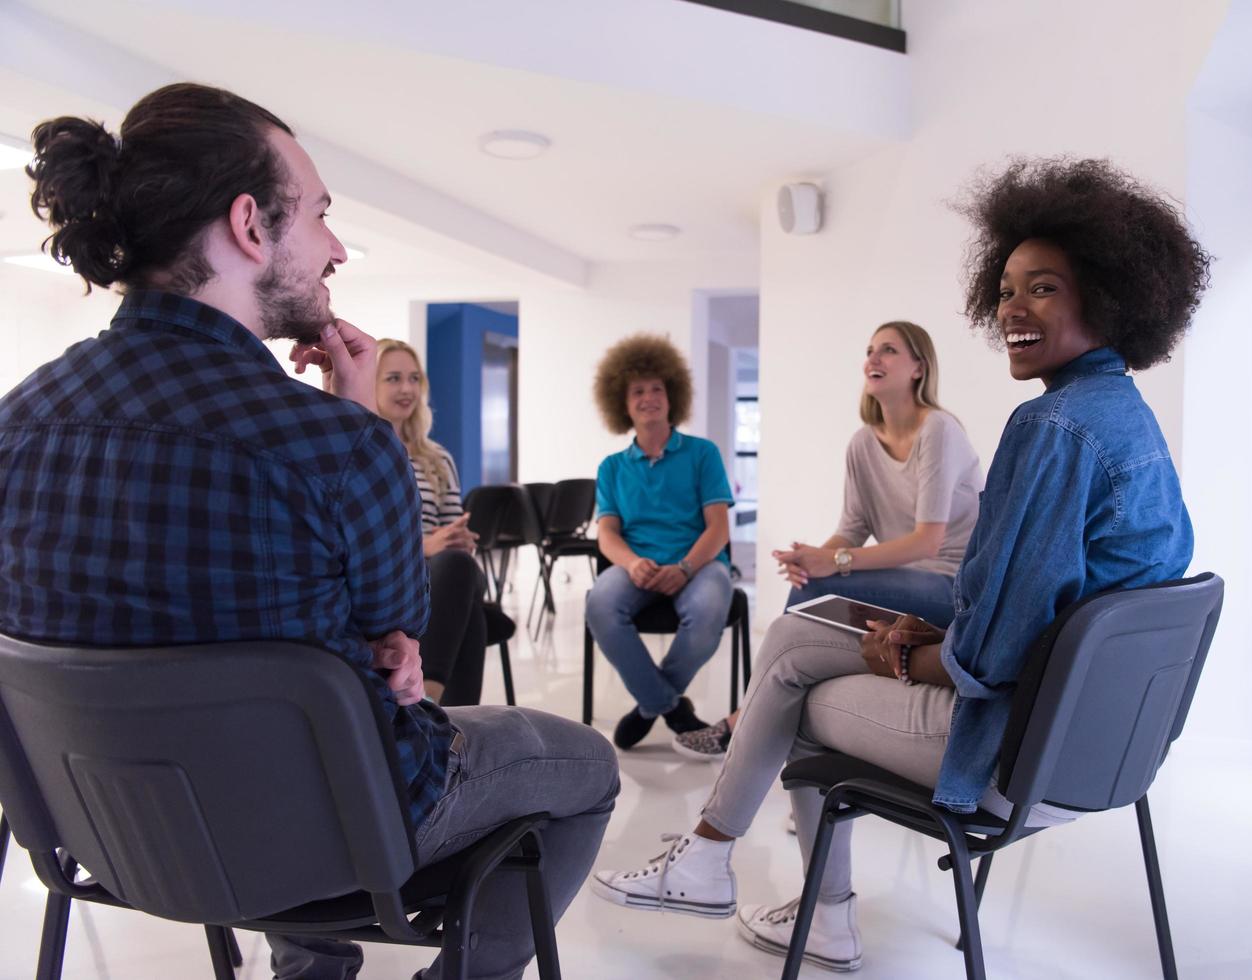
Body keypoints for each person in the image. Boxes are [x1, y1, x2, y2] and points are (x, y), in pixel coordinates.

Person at [0, 82, 619, 980]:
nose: (333, 248)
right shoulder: (332, 443)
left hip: (107, 830)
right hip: (333, 831)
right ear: (250, 225)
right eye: (321, 216)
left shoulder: (17, 421)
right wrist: (355, 426)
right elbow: (397, 637)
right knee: (584, 766)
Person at [591, 157, 1209, 973]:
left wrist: (910, 655)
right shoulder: (1124, 418)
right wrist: (922, 627)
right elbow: (1044, 608)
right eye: (1006, 289)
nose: (1012, 308)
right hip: (1101, 751)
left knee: (796, 697)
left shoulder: (1053, 428)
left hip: (1006, 749)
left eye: (1044, 288)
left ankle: (800, 903)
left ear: (1108, 292)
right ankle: (711, 859)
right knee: (793, 638)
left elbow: (993, 651)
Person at [675, 321, 983, 762]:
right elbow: (853, 528)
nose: (873, 358)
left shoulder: (939, 430)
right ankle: (795, 745)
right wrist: (814, 557)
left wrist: (833, 564)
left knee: (813, 590)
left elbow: (926, 543)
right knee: (809, 592)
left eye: (889, 350)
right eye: (871, 349)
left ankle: (744, 723)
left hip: (953, 586)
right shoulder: (862, 443)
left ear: (919, 368)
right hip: (905, 582)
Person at [585, 333, 735, 750]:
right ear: (623, 402)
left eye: (657, 389)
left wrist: (686, 567)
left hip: (700, 565)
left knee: (708, 608)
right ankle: (671, 708)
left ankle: (648, 707)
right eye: (638, 391)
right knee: (600, 603)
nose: (649, 397)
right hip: (638, 567)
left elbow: (718, 529)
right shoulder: (612, 467)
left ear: (673, 397)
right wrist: (632, 563)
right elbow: (608, 534)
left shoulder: (703, 454)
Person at [376, 338, 503, 708]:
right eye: (394, 378)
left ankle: (433, 706)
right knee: (472, 614)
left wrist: (458, 540)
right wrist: (425, 547)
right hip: (391, 579)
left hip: (442, 577)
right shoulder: (360, 452)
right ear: (371, 383)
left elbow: (449, 524)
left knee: (458, 564)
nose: (406, 389)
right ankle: (441, 710)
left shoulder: (437, 458)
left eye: (414, 378)